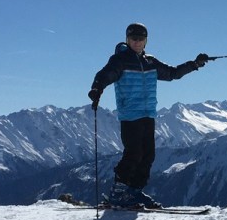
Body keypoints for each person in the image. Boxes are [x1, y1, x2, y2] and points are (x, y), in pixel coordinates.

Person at [88, 22, 209, 209]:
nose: (137, 42)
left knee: (148, 155)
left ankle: (134, 191)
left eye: (141, 39)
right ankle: (118, 193)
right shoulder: (120, 60)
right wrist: (97, 88)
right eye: (133, 38)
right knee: (133, 153)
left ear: (146, 41)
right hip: (130, 115)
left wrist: (194, 64)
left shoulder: (150, 61)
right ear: (127, 40)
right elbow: (105, 75)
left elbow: (172, 73)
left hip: (148, 114)